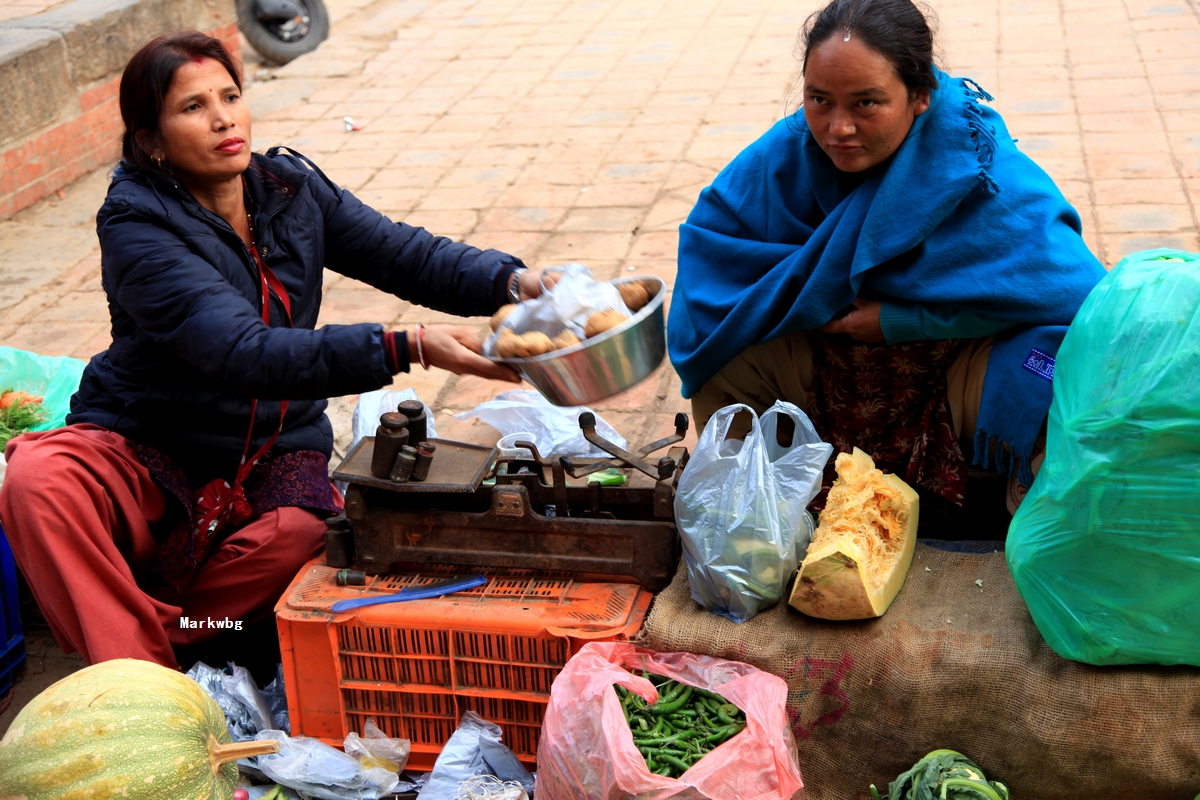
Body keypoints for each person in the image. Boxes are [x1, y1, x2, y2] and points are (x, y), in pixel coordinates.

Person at [0, 32, 545, 668]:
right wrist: (410, 346)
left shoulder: (288, 188)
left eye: (230, 96)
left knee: (300, 535)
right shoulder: (136, 226)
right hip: (149, 438)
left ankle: (159, 630)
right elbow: (244, 353)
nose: (224, 117)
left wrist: (517, 282)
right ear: (150, 140)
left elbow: (405, 254)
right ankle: (138, 681)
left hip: (268, 449)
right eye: (193, 106)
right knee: (40, 481)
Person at [667, 0, 1105, 513]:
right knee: (725, 351)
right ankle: (760, 518)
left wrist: (902, 319)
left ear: (920, 95)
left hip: (957, 368)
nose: (838, 128)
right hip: (823, 374)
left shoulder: (977, 166)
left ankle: (1031, 500)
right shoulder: (782, 159)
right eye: (819, 100)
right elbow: (711, 268)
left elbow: (1066, 290)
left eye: (866, 103)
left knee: (1067, 368)